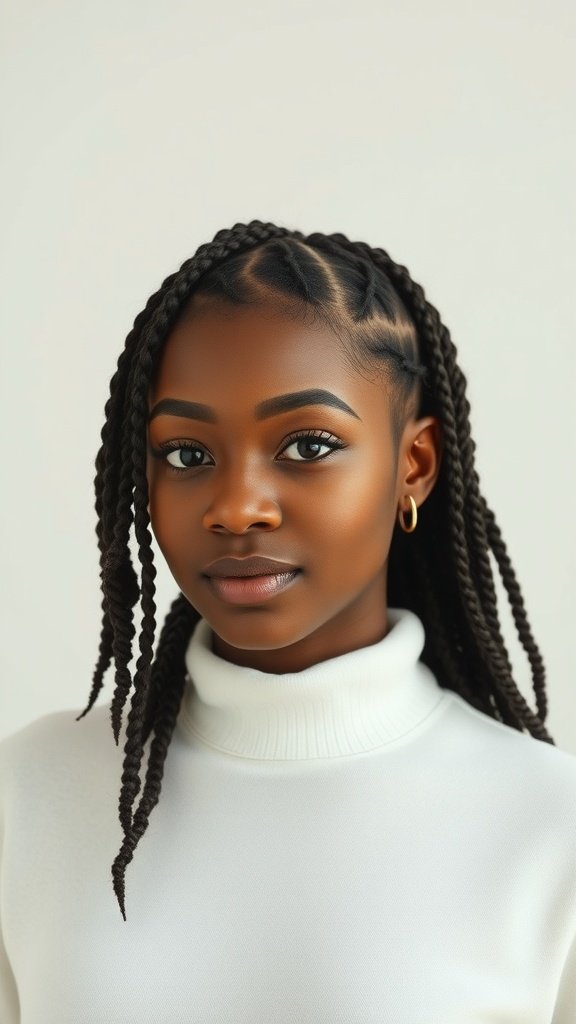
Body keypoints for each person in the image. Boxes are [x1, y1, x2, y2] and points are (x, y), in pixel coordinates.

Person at [1, 219, 575, 1022]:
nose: (236, 509)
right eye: (187, 455)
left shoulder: (551, 826)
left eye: (306, 445)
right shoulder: (27, 794)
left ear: (413, 465)